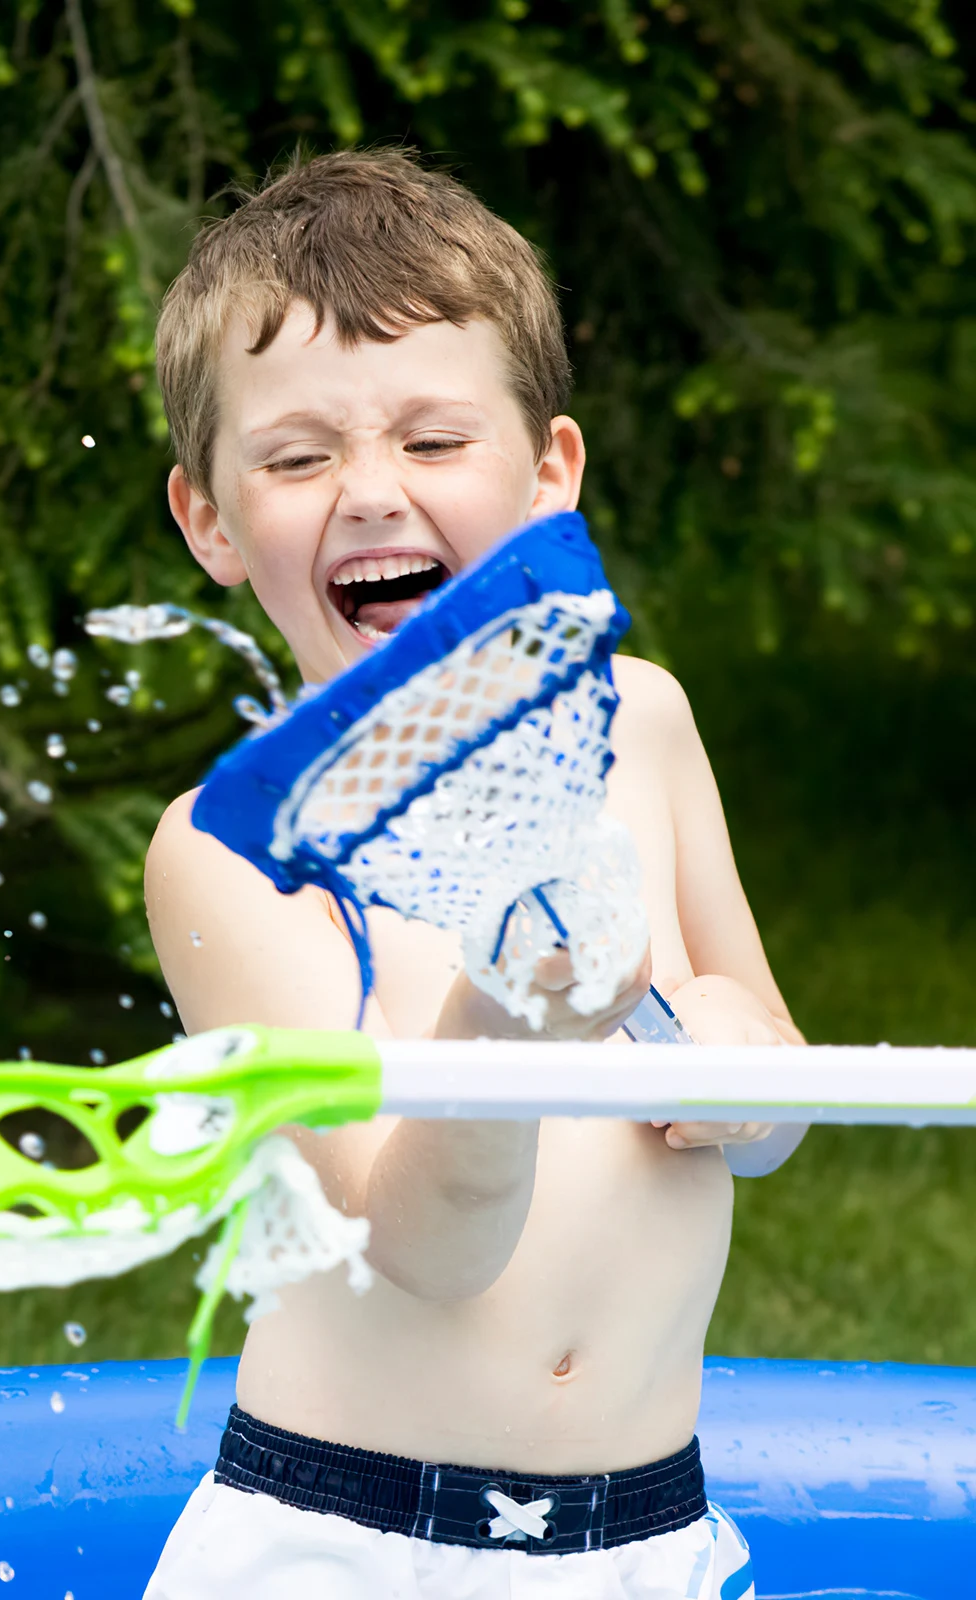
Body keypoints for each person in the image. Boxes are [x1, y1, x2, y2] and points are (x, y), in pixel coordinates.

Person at [141, 149, 803, 1600]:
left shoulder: (646, 726)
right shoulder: (234, 860)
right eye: (300, 456)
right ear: (210, 521)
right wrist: (505, 1015)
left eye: (434, 441)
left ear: (550, 470)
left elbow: (766, 1120)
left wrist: (742, 1067)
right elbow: (419, 1246)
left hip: (646, 1539)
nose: (371, 492)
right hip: (352, 1541)